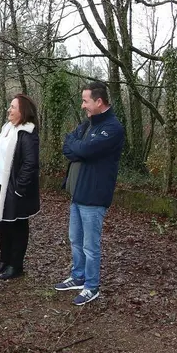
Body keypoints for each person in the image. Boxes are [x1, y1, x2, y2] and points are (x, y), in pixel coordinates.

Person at [54, 81, 125, 305]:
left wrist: (80, 149)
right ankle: (78, 276)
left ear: (99, 101)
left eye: (85, 101)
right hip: (78, 192)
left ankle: (91, 286)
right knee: (75, 239)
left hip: (94, 196)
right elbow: (69, 144)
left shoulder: (112, 128)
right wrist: (80, 149)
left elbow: (84, 149)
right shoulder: (87, 125)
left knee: (90, 245)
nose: (83, 105)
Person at [0, 94, 40, 280]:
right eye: (9, 106)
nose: (9, 110)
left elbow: (30, 164)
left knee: (17, 228)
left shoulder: (27, 133)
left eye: (13, 107)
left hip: (15, 190)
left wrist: (19, 189)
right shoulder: (7, 129)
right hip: (1, 186)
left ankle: (16, 266)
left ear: (23, 111)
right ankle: (4, 261)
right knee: (2, 226)